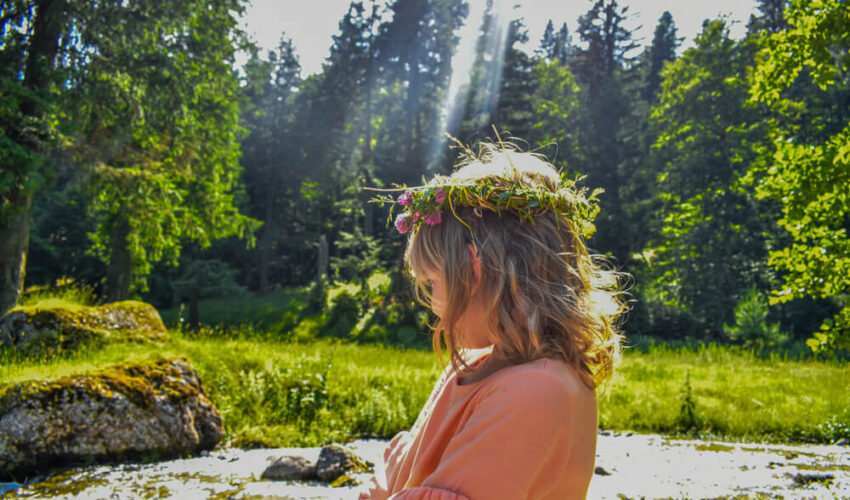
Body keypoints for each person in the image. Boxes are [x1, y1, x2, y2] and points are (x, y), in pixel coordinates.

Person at [359, 141, 625, 500]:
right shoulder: (472, 366)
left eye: (432, 283)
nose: (432, 306)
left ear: (472, 271)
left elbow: (393, 480)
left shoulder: (536, 393)